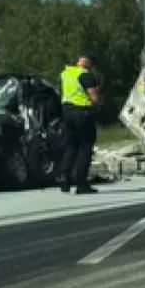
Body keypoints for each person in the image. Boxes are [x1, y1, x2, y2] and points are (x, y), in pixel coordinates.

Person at [59, 56, 99, 194]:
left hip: (66, 112)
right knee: (85, 147)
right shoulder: (85, 75)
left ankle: (64, 178)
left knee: (71, 146)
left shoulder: (66, 74)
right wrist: (96, 105)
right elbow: (94, 96)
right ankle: (81, 183)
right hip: (82, 113)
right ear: (87, 62)